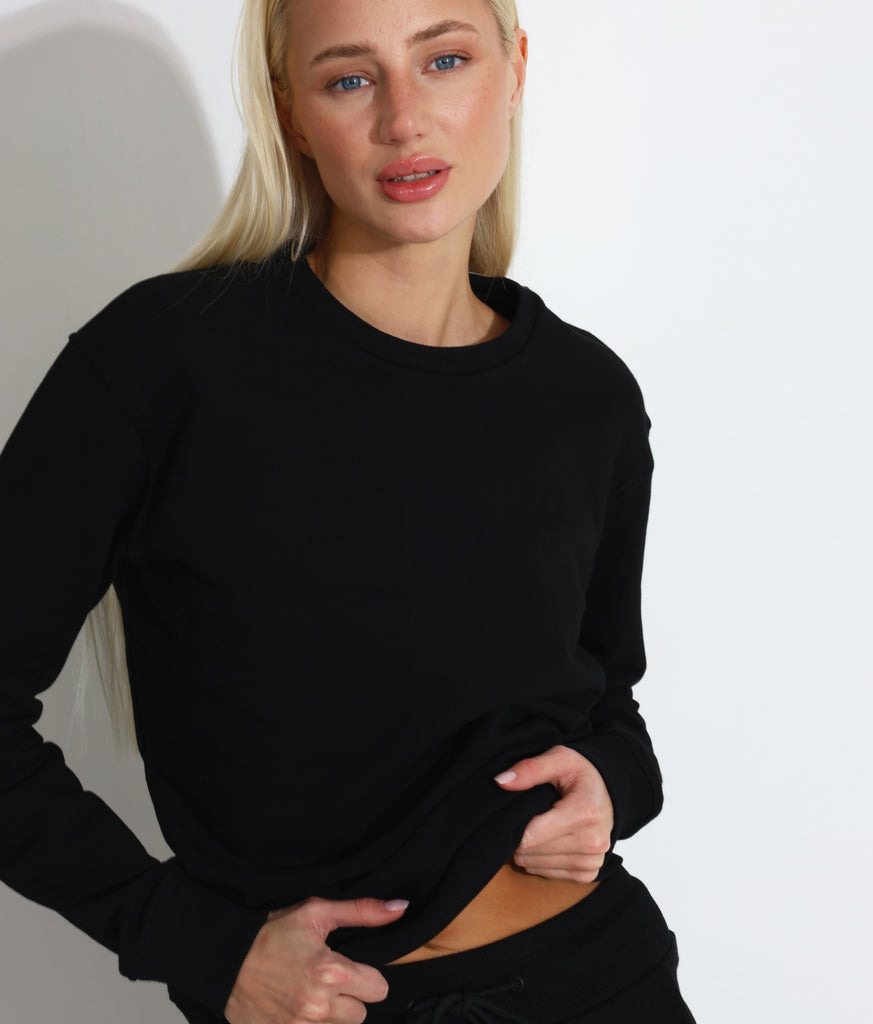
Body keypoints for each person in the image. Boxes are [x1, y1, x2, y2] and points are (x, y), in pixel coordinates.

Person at [0, 0, 697, 1021]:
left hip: (605, 976)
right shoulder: (162, 364)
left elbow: (605, 702)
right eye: (350, 78)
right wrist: (196, 944)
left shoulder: (585, 396)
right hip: (333, 1005)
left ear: (514, 71)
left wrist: (612, 785)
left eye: (445, 60)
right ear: (290, 110)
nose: (404, 120)